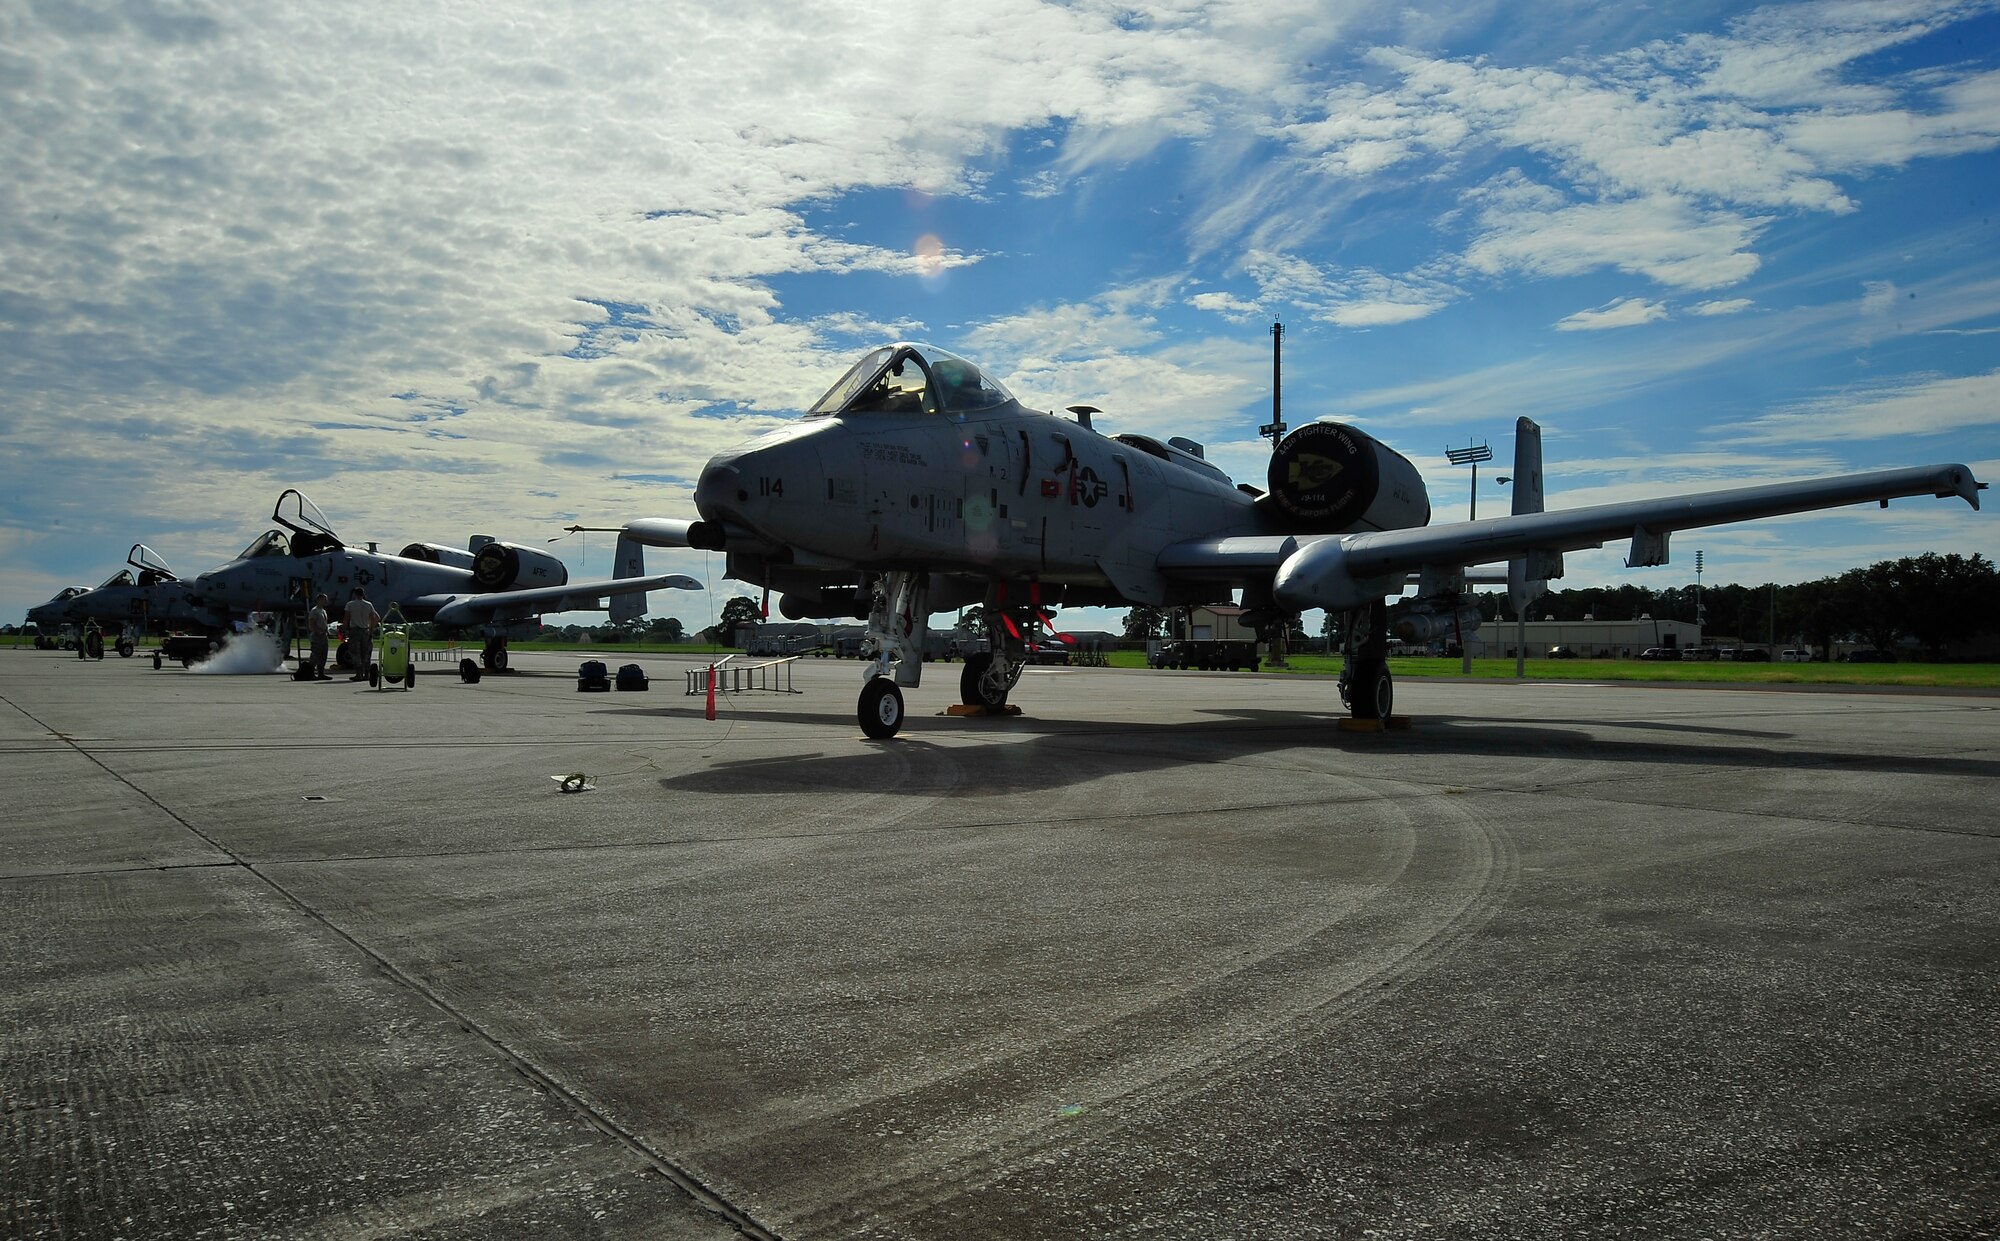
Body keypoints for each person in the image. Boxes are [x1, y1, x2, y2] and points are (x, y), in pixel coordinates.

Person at [343, 587, 380, 681]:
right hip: (365, 631)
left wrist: (344, 630)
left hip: (354, 631)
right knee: (366, 653)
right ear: (363, 594)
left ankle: (358, 674)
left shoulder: (350, 604)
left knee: (355, 653)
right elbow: (375, 618)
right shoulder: (369, 605)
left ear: (355, 594)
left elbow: (346, 618)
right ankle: (367, 674)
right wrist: (371, 630)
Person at [308, 593, 333, 680]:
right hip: (317, 636)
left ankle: (321, 673)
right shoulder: (315, 611)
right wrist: (317, 631)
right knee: (315, 655)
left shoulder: (323, 611)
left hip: (324, 635)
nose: (326, 601)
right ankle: (310, 673)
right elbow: (312, 622)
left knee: (323, 655)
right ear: (319, 600)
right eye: (324, 599)